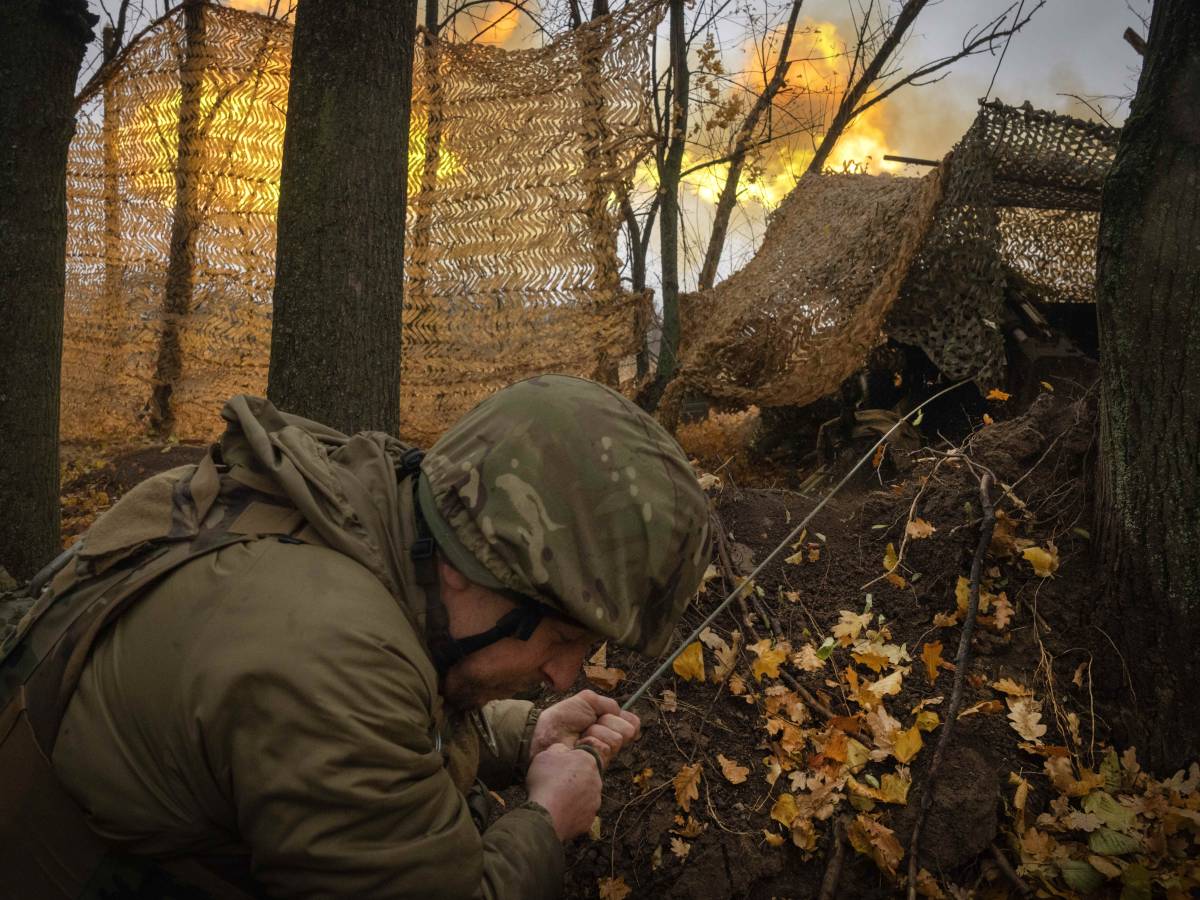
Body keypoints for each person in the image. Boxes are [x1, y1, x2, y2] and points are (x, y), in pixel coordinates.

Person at [0, 375, 711, 899]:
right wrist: (543, 821)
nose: (564, 675)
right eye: (560, 639)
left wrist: (521, 735)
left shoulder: (342, 504)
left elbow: (379, 719)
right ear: (471, 574)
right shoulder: (327, 659)